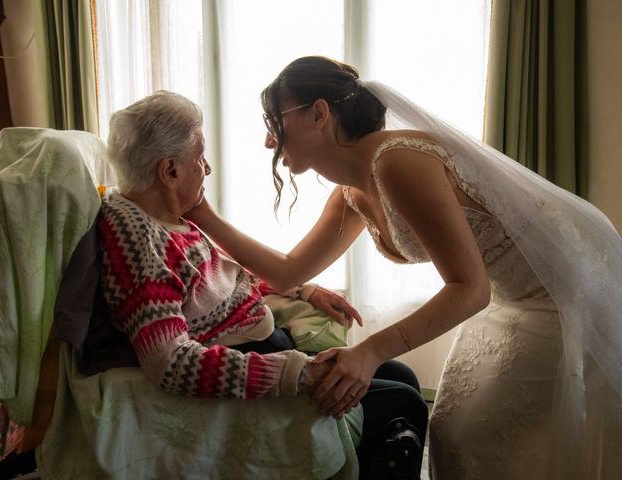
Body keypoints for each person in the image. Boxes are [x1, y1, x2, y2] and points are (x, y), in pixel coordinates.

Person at [185, 56, 622, 480]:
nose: (268, 141)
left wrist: (370, 351)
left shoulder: (398, 161)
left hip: (561, 295)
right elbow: (287, 271)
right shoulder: (352, 192)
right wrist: (200, 211)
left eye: (273, 123)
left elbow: (470, 289)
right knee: (453, 431)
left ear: (319, 114)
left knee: (475, 436)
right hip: (510, 298)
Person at [100, 90, 428, 479]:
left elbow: (219, 284)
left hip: (271, 341)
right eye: (199, 160)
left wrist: (301, 291)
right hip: (259, 361)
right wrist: (296, 374)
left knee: (403, 377)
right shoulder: (139, 240)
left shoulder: (171, 220)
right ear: (169, 172)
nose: (206, 170)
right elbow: (169, 362)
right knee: (402, 403)